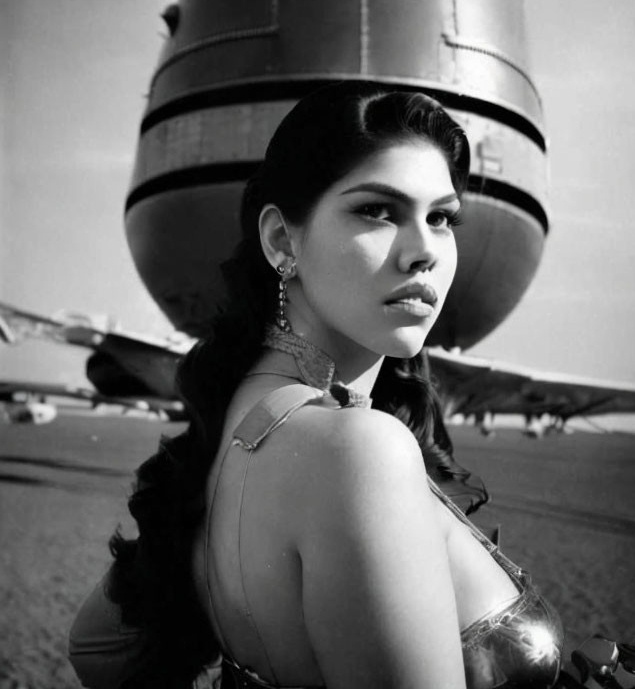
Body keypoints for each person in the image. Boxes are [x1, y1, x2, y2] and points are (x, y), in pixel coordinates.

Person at [69, 83, 564, 689]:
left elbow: (93, 646)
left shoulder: (235, 421)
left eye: (441, 217)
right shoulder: (360, 450)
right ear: (282, 240)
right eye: (377, 210)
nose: (424, 252)